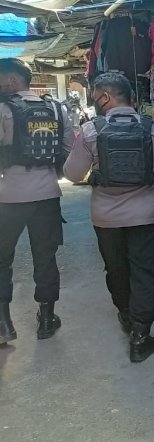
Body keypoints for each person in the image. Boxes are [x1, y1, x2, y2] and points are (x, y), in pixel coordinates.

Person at [63, 72, 154, 363]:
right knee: (147, 271)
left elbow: (72, 174)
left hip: (105, 218)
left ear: (105, 97)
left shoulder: (91, 131)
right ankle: (141, 335)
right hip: (146, 215)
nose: (94, 100)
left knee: (116, 269)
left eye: (95, 94)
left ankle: (126, 315)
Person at [0, 58, 72, 344]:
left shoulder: (3, 109)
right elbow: (67, 150)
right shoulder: (57, 108)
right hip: (47, 195)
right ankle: (46, 319)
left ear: (13, 81)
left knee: (2, 259)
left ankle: (4, 323)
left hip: (9, 197)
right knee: (46, 257)